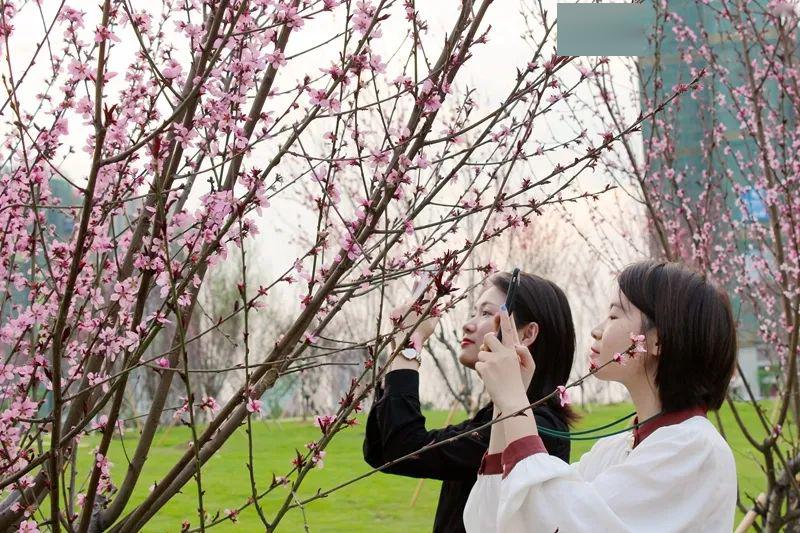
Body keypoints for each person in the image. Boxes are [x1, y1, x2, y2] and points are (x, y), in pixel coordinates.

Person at [465, 260, 738, 532]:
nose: (597, 330)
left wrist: (515, 400)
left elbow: (563, 523)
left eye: (614, 316)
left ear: (658, 341)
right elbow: (498, 522)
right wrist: (506, 408)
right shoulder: (615, 449)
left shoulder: (694, 449)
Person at [363, 271, 578, 533]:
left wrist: (410, 344)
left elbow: (404, 448)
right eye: (475, 312)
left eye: (486, 313)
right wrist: (400, 349)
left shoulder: (532, 426)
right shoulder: (496, 416)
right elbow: (382, 451)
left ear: (528, 333)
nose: (469, 324)